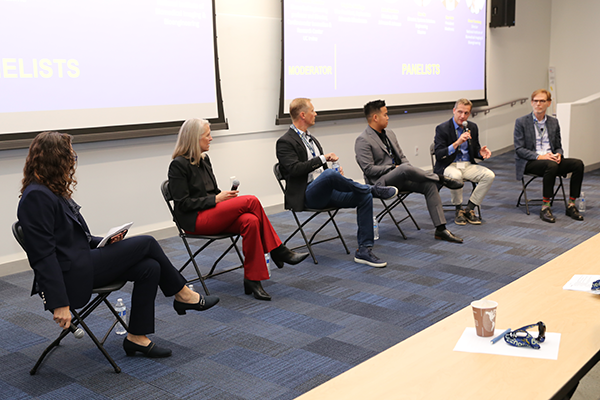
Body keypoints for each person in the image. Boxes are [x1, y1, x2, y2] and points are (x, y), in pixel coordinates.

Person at [17, 131, 219, 359]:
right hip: (71, 276)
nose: (73, 163)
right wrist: (59, 302)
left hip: (81, 261)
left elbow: (74, 238)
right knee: (148, 243)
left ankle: (137, 338)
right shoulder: (36, 197)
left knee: (149, 267)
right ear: (55, 159)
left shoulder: (52, 190)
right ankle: (183, 295)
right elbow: (42, 256)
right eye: (70, 157)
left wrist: (104, 242)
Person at [168, 118, 308, 301]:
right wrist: (215, 199)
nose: (211, 138)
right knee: (251, 200)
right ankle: (277, 249)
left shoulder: (204, 159)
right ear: (195, 138)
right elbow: (182, 203)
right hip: (195, 220)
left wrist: (222, 196)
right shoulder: (178, 165)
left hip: (212, 212)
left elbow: (210, 191)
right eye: (207, 135)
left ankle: (253, 279)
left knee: (250, 221)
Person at [276, 98, 399, 268]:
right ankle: (372, 189)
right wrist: (323, 160)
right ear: (303, 115)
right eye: (313, 110)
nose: (316, 114)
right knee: (329, 176)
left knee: (362, 197)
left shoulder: (311, 139)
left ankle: (364, 250)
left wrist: (335, 173)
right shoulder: (285, 141)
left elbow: (320, 169)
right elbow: (295, 169)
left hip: (325, 191)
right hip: (306, 195)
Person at [355, 100, 463, 243]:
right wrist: (394, 168)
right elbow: (369, 170)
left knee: (429, 185)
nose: (388, 117)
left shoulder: (390, 134)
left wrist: (407, 169)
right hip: (380, 183)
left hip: (402, 176)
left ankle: (441, 229)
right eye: (385, 115)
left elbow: (403, 157)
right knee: (405, 169)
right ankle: (440, 178)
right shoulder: (363, 140)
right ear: (375, 117)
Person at [514, 89, 584, 223]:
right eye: (535, 101)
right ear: (531, 102)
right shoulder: (521, 122)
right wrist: (540, 157)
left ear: (549, 103)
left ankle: (571, 205)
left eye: (542, 101)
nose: (538, 104)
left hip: (550, 159)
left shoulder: (553, 122)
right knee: (551, 165)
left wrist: (559, 154)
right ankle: (545, 207)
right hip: (531, 161)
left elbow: (558, 145)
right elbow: (519, 149)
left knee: (578, 164)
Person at [434, 98, 495, 225]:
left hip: (467, 165)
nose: (463, 116)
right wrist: (457, 143)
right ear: (454, 111)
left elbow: (475, 149)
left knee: (489, 175)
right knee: (456, 176)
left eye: (466, 113)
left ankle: (469, 209)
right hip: (449, 165)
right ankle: (458, 210)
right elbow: (439, 155)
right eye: (460, 112)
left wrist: (481, 153)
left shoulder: (472, 127)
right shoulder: (442, 128)